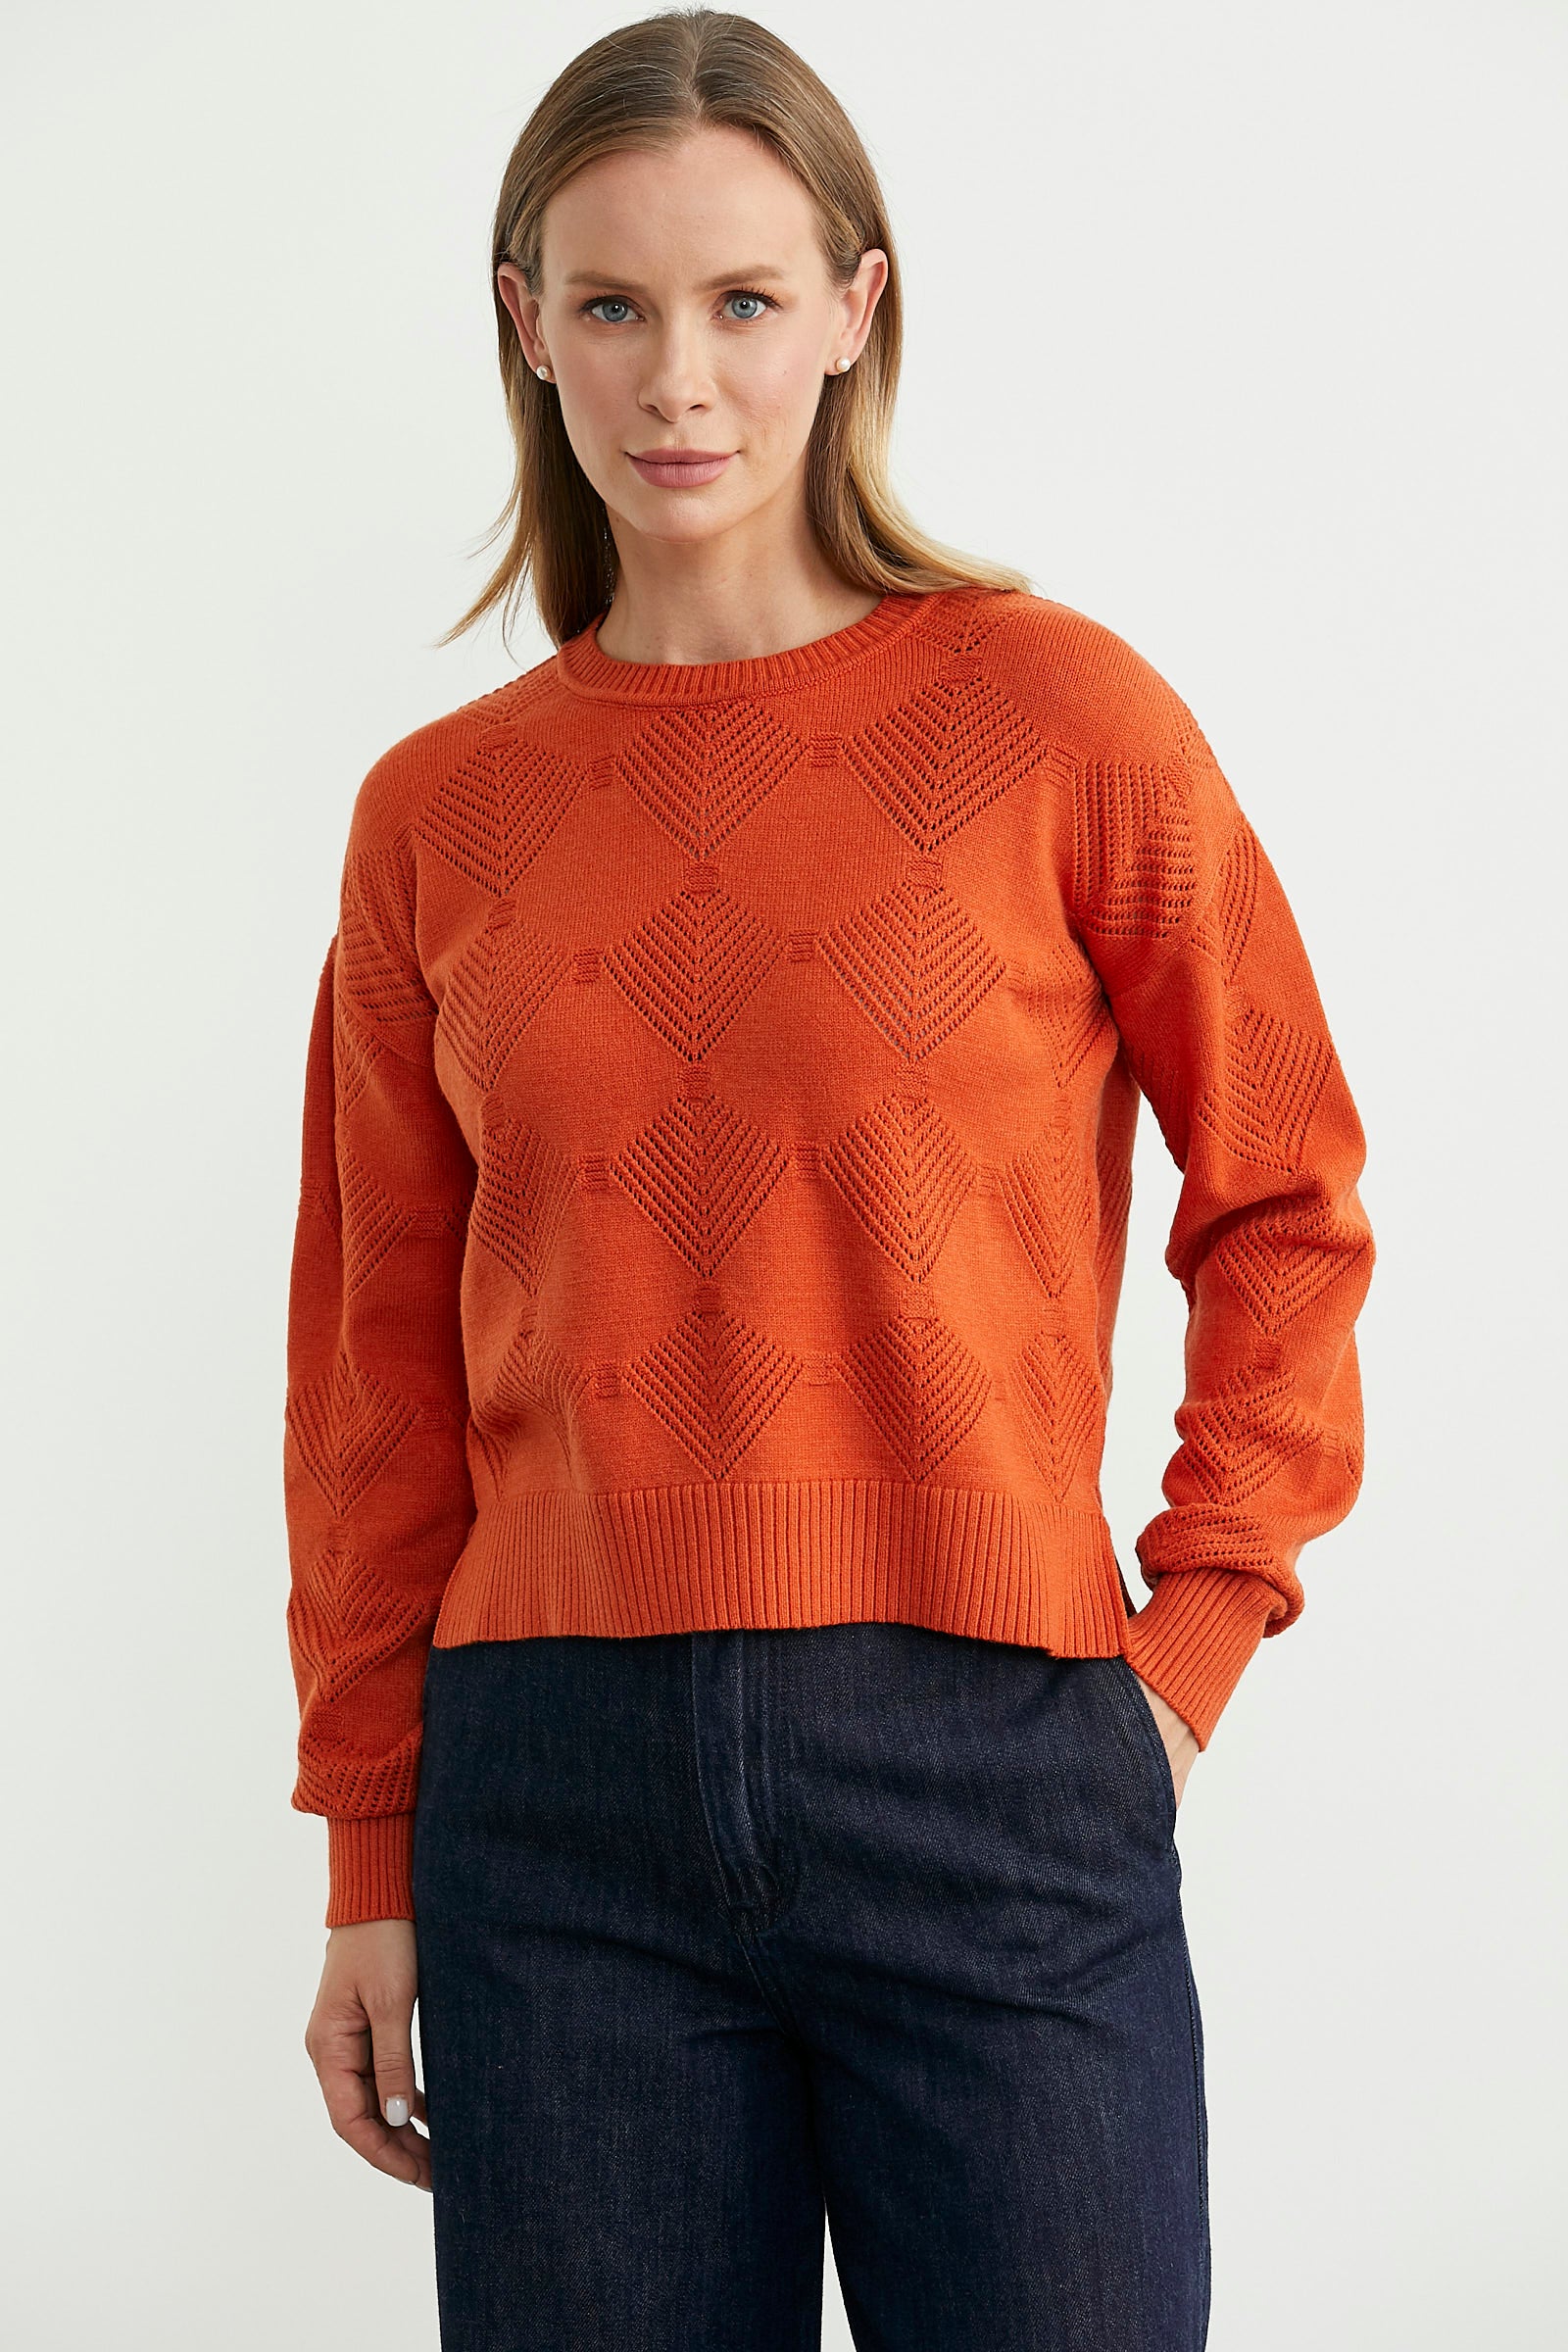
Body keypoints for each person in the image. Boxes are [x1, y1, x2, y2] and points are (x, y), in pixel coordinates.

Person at [283, 11, 1374, 2346]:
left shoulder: (1060, 723)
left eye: (744, 301)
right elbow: (371, 1373)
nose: (678, 378)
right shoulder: (434, 819)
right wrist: (370, 1845)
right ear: (525, 323)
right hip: (550, 1813)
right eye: (612, 304)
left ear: (854, 311)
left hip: (991, 1771)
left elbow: (1282, 1191)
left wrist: (1188, 1644)